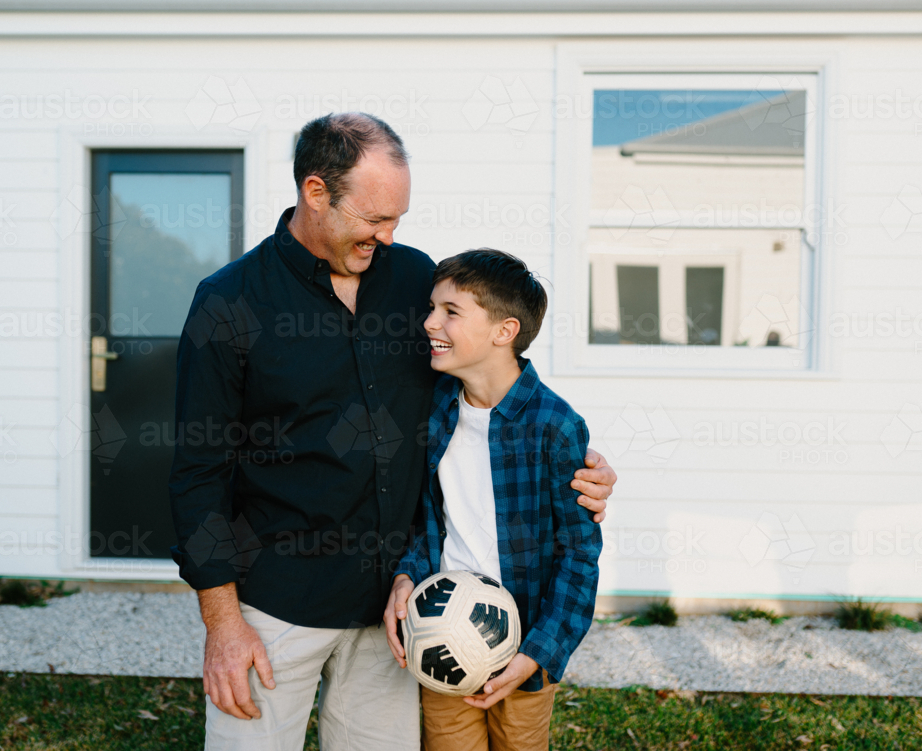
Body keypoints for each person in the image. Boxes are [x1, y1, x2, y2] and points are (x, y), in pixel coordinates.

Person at [168, 112, 616, 751]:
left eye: (397, 219)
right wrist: (223, 623)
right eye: (374, 219)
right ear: (316, 192)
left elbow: (478, 394)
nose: (388, 234)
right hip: (273, 607)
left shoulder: (413, 283)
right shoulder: (228, 303)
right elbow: (197, 474)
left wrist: (579, 467)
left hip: (400, 616)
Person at [385, 249, 602, 751]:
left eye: (450, 312)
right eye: (432, 307)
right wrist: (406, 575)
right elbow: (427, 519)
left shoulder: (555, 425)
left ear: (504, 331)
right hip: (440, 639)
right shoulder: (435, 407)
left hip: (523, 648)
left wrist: (540, 653)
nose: (429, 322)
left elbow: (579, 556)